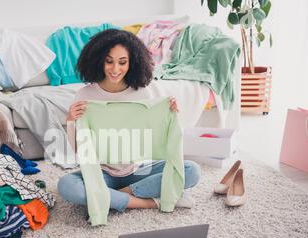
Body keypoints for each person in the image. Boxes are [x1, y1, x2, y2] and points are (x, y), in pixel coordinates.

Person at [57, 29, 201, 214]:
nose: (115, 69)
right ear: (98, 60)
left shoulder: (142, 93)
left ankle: (111, 196)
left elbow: (156, 137)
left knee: (191, 170)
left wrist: (170, 113)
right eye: (109, 61)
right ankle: (149, 202)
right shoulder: (85, 95)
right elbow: (79, 151)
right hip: (101, 172)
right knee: (67, 185)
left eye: (122, 62)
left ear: (132, 62)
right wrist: (71, 121)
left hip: (137, 170)